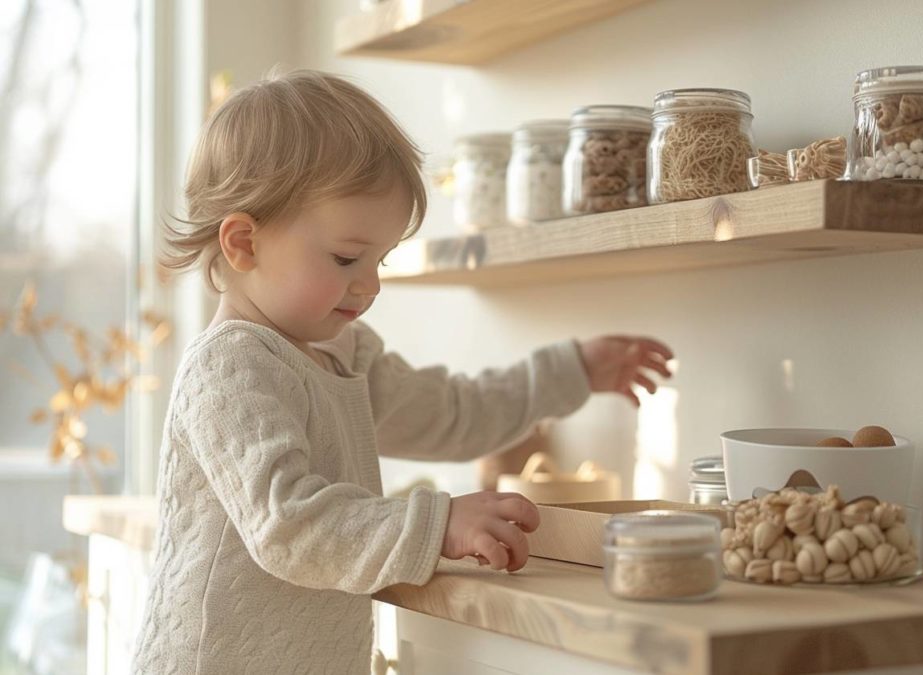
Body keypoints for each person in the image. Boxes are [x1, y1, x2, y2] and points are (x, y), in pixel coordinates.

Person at [132, 69, 673, 674]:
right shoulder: (228, 368)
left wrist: (568, 372)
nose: (371, 284)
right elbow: (288, 523)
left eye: (380, 259)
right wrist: (437, 523)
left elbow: (453, 415)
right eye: (346, 258)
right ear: (243, 244)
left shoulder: (346, 355)